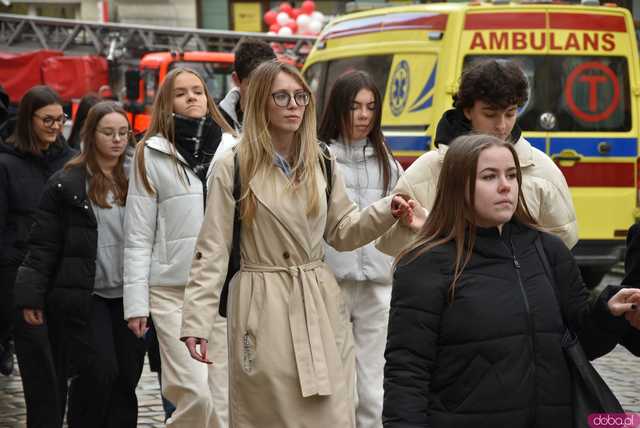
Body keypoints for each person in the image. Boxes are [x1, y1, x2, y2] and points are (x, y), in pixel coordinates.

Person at [179, 60, 417, 428]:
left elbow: (343, 230)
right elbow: (213, 247)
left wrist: (388, 209)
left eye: (300, 96)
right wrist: (196, 321)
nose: (293, 105)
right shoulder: (234, 164)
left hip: (318, 297)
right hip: (262, 298)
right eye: (282, 97)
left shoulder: (320, 160)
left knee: (333, 406)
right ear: (260, 102)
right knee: (270, 408)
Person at [383, 134, 640, 428]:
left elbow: (580, 346)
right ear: (459, 186)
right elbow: (407, 372)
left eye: (512, 175)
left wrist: (607, 314)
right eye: (489, 176)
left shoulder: (548, 250)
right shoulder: (425, 264)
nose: (505, 185)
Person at [13, 101, 145, 427]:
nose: (117, 140)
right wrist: (31, 296)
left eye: (123, 133)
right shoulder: (67, 182)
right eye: (108, 132)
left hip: (132, 296)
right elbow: (44, 243)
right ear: (91, 134)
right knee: (99, 370)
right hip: (88, 295)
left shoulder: (140, 179)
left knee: (127, 376)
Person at [123, 67, 234, 428]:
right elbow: (138, 234)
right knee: (194, 394)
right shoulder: (149, 153)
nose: (192, 98)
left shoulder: (234, 148)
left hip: (223, 290)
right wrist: (136, 304)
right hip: (172, 292)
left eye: (198, 91)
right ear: (166, 101)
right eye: (181, 92)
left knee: (223, 401)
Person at [376, 59, 577, 256]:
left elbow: (563, 239)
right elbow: (390, 245)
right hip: (448, 287)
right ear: (467, 110)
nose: (501, 125)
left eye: (510, 114)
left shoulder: (542, 170)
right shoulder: (427, 171)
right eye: (490, 114)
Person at [318, 70, 402, 428]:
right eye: (355, 106)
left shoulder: (389, 163)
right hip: (329, 285)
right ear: (338, 108)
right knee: (335, 385)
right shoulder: (318, 159)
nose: (364, 115)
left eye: (371, 106)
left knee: (374, 387)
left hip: (378, 288)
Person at [0, 85, 75, 425]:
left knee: (63, 369)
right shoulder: (6, 165)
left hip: (66, 281)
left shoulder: (71, 161)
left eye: (61, 119)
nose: (56, 126)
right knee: (39, 372)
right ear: (28, 120)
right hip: (22, 279)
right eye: (48, 119)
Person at [219, 37, 276, 134]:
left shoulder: (286, 119)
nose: (262, 91)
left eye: (269, 83)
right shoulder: (215, 123)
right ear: (236, 79)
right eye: (253, 85)